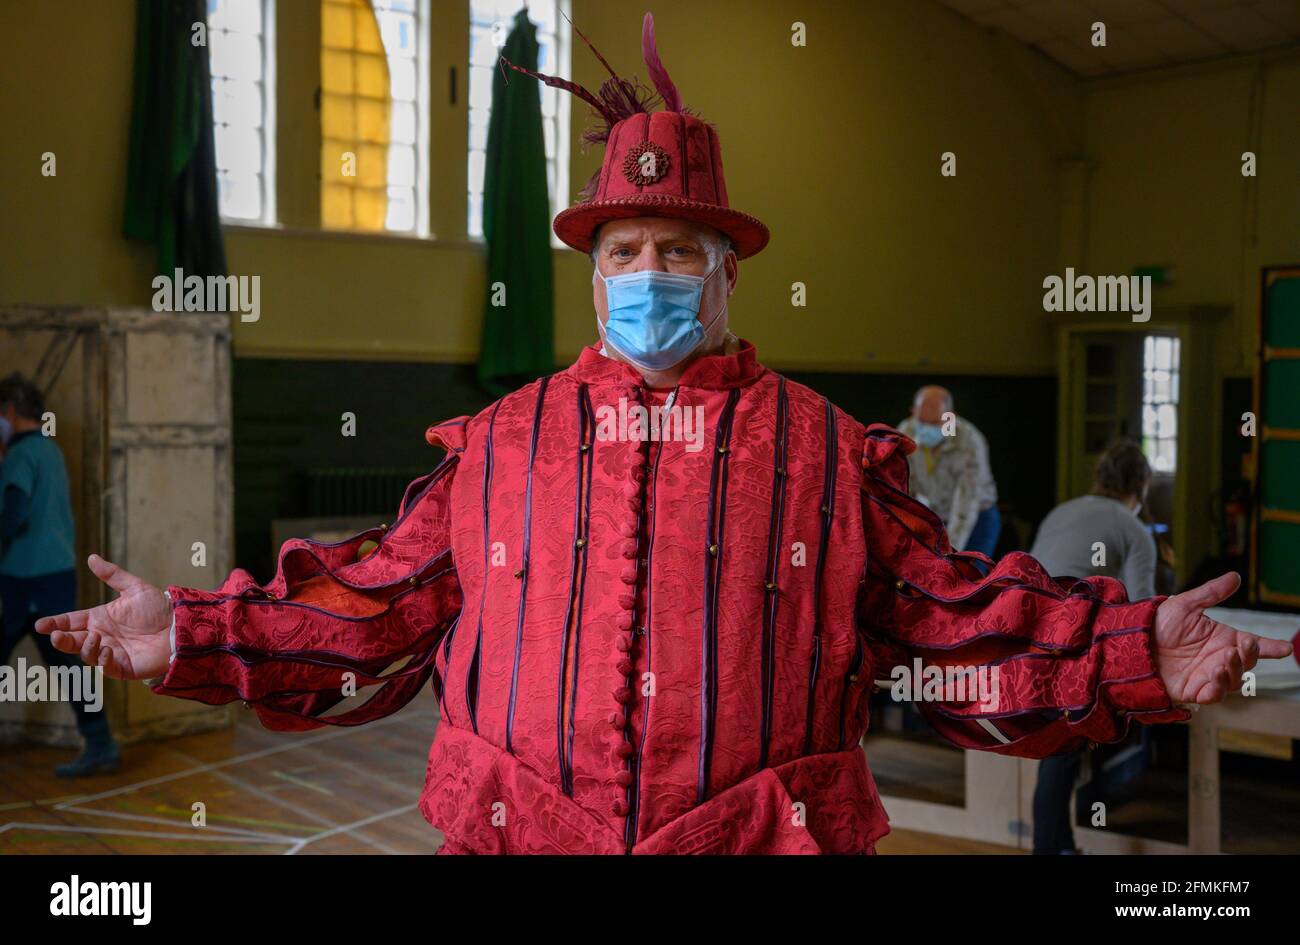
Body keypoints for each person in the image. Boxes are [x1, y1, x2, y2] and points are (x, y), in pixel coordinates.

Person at [37, 13, 1291, 854]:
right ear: (593, 279)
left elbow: (952, 628)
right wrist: (192, 630)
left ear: (725, 275)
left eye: (677, 253)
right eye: (625, 253)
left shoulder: (821, 452)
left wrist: (1130, 652)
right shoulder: (500, 444)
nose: (650, 276)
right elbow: (369, 614)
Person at [1028, 440, 1156, 854]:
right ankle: (1051, 850)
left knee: (1061, 746)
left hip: (1029, 637)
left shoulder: (1061, 512)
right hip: (1072, 645)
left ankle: (1060, 845)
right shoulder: (1133, 529)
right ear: (1142, 486)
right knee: (1064, 750)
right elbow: (1143, 612)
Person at [0, 373, 119, 776]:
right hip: (54, 573)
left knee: (63, 661)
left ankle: (101, 743)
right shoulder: (50, 452)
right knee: (65, 661)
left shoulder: (19, 457)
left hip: (27, 577)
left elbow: (12, 516)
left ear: (10, 412)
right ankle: (100, 742)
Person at [896, 386, 1000, 557]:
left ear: (951, 416)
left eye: (935, 423)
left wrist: (950, 551)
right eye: (922, 422)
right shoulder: (906, 431)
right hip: (936, 515)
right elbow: (906, 486)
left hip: (977, 517)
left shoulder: (970, 441)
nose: (927, 428)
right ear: (913, 412)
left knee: (971, 576)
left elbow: (967, 499)